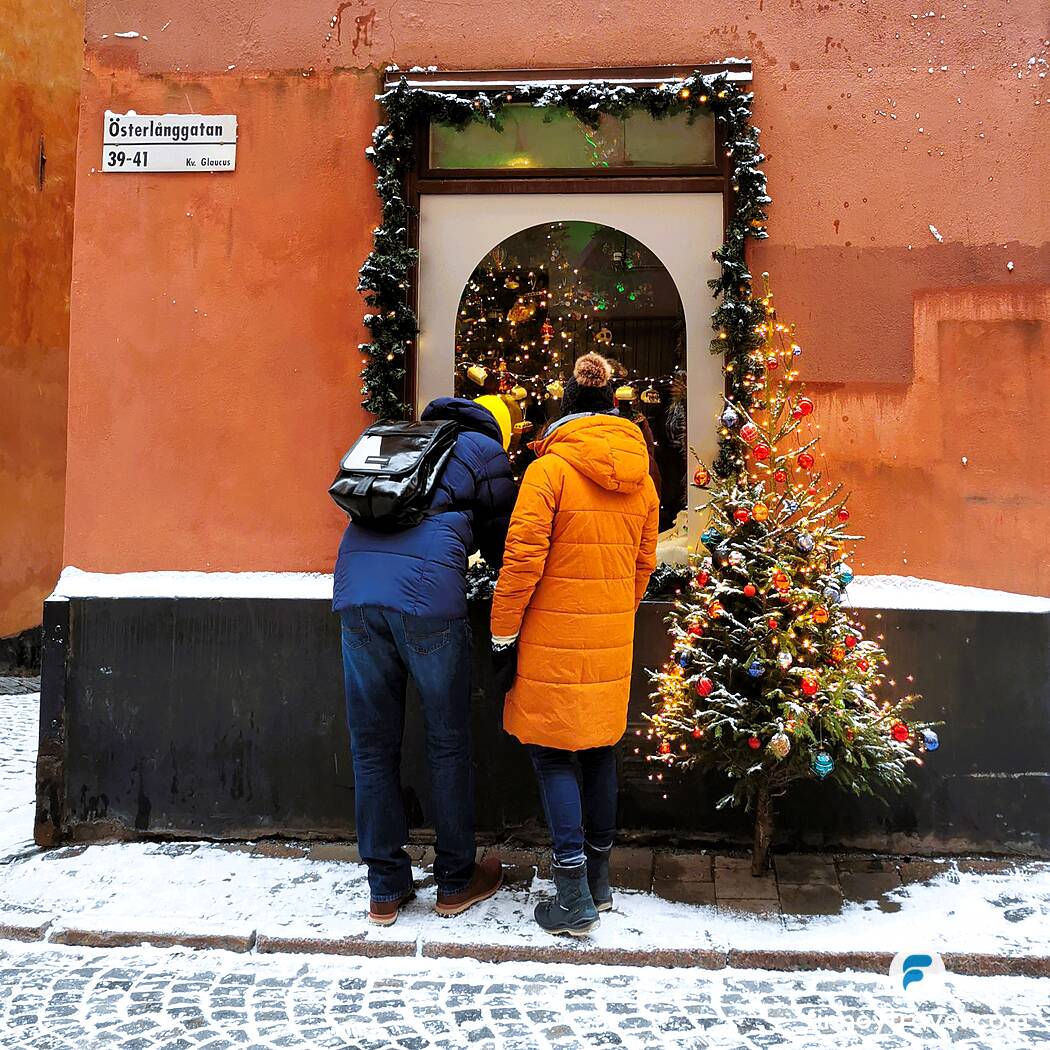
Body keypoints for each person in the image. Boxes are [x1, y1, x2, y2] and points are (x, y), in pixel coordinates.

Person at [489, 353, 660, 935]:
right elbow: (645, 561)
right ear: (613, 409)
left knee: (552, 752)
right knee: (598, 751)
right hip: (610, 633)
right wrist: (618, 608)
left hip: (550, 636)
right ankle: (600, 880)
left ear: (564, 412)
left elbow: (521, 562)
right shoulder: (642, 478)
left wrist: (502, 630)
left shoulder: (549, 471)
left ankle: (571, 895)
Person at [333, 397, 517, 926]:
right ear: (496, 429)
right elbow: (505, 535)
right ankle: (456, 879)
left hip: (357, 591)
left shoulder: (402, 439)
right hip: (429, 603)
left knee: (371, 746)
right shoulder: (483, 451)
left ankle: (385, 888)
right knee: (447, 743)